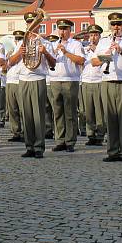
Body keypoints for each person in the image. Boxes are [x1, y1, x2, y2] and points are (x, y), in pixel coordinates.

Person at [92, 12, 122, 163]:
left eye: (119, 24)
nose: (116, 27)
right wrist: (105, 57)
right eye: (113, 25)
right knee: (111, 118)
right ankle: (112, 151)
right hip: (107, 81)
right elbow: (94, 62)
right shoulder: (103, 41)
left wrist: (121, 51)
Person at [10, 11, 56, 159]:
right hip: (23, 80)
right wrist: (19, 53)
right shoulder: (21, 42)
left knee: (38, 116)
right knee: (26, 115)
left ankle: (39, 147)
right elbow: (11, 62)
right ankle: (29, 146)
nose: (32, 25)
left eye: (34, 23)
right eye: (29, 23)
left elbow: (53, 64)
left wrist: (46, 53)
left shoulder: (45, 42)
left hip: (38, 79)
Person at [47, 20, 83, 153]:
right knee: (57, 112)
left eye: (65, 29)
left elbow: (81, 60)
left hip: (70, 80)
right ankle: (60, 140)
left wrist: (66, 52)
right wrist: (53, 53)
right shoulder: (53, 44)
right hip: (55, 80)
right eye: (60, 29)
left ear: (70, 30)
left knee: (70, 112)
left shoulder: (76, 44)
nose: (62, 32)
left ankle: (70, 141)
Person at [80, 25, 105, 146]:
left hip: (98, 81)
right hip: (86, 81)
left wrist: (95, 50)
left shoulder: (103, 48)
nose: (93, 38)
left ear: (99, 36)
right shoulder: (84, 49)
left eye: (95, 35)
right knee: (87, 111)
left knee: (99, 111)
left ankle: (100, 135)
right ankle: (91, 134)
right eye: (91, 35)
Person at [5, 29, 26, 143]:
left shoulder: (24, 47)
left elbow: (13, 62)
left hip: (19, 81)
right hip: (10, 81)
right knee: (12, 109)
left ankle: (25, 132)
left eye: (19, 38)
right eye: (16, 39)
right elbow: (9, 63)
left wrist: (17, 53)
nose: (17, 41)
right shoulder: (13, 50)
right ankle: (16, 132)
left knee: (22, 109)